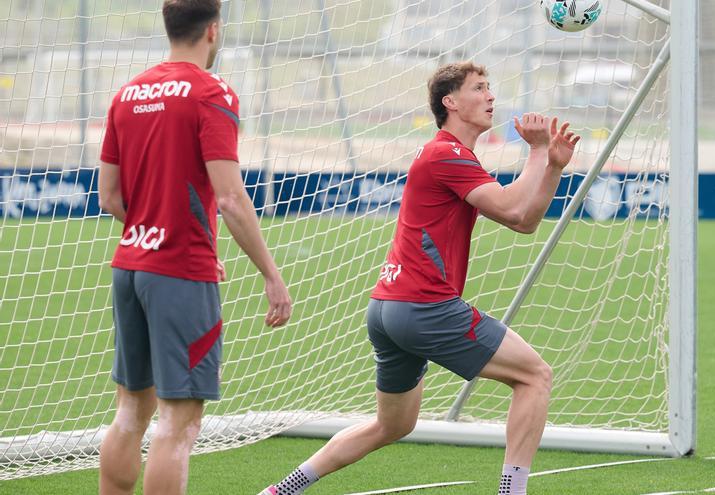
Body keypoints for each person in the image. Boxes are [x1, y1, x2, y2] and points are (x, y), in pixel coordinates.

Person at [259, 61, 579, 495]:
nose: (490, 97)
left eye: (490, 88)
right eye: (479, 88)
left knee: (392, 424)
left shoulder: (450, 154)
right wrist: (538, 152)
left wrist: (553, 167)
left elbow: (524, 223)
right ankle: (512, 492)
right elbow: (513, 210)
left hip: (388, 308)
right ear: (450, 102)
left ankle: (282, 489)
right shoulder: (446, 152)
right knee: (535, 376)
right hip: (424, 307)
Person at [97, 1, 292, 494]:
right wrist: (271, 274)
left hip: (130, 264)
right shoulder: (212, 91)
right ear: (213, 29)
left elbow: (110, 197)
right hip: (179, 271)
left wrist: (161, 230)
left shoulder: (127, 94)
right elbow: (229, 196)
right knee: (179, 425)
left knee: (129, 413)